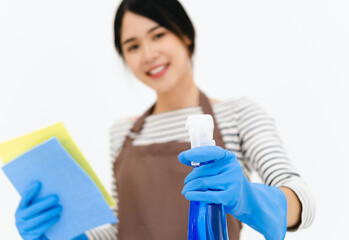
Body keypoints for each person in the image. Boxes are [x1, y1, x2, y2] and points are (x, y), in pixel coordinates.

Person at [14, 0, 315, 239]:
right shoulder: (123, 134)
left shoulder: (237, 115)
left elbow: (303, 202)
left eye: (158, 35)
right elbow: (124, 228)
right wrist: (61, 232)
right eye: (132, 46)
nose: (148, 54)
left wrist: (251, 199)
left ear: (185, 34)